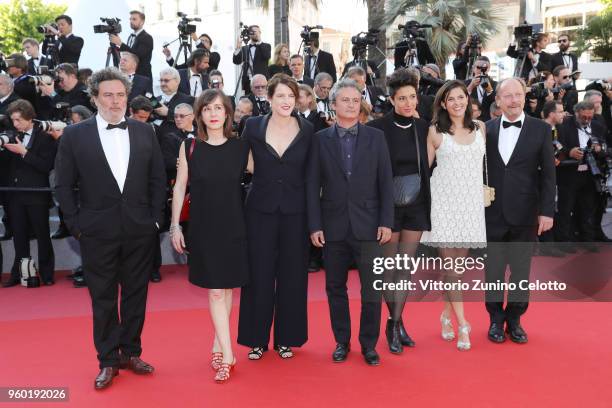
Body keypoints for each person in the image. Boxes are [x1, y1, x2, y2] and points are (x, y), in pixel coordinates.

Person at [54, 67, 166, 390]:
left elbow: (158, 179)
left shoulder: (146, 133)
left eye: (120, 95)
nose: (115, 101)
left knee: (136, 295)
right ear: (94, 98)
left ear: (127, 98)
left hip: (139, 230)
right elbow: (62, 186)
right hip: (95, 232)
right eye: (108, 95)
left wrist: (155, 220)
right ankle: (107, 359)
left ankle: (131, 352)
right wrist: (76, 227)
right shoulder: (75, 136)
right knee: (102, 298)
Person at [307, 78, 393, 366]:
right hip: (332, 226)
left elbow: (385, 183)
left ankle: (369, 344)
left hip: (369, 225)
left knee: (372, 288)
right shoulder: (319, 140)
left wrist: (386, 221)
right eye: (345, 100)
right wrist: (315, 225)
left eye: (356, 101)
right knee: (335, 288)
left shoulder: (376, 137)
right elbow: (312, 186)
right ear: (333, 105)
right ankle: (341, 342)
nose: (351, 105)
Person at [170, 89, 250, 383]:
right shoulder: (190, 146)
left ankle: (218, 344)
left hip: (235, 226)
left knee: (226, 289)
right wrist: (175, 225)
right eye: (207, 109)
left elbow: (271, 172)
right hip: (203, 228)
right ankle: (228, 355)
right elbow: (179, 187)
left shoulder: (242, 148)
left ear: (228, 113)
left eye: (219, 108)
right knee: (216, 290)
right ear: (199, 114)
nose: (214, 113)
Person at [237, 74, 313, 361]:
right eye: (280, 96)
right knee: (258, 275)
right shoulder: (253, 126)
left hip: (296, 211)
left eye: (291, 96)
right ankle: (256, 339)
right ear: (269, 98)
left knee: (293, 276)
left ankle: (287, 339)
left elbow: (310, 171)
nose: (286, 101)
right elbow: (244, 162)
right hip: (259, 209)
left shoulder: (306, 128)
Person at [484, 78, 555, 344]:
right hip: (492, 213)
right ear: (498, 100)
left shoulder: (541, 130)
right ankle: (494, 319)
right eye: (508, 96)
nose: (514, 100)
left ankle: (514, 319)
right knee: (492, 271)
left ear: (525, 98)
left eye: (518, 95)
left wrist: (547, 211)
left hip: (526, 212)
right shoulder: (485, 130)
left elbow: (549, 175)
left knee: (521, 271)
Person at [367, 69, 431, 354]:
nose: (408, 103)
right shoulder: (378, 128)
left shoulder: (423, 128)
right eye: (402, 98)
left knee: (405, 268)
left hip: (416, 203)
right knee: (390, 268)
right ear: (392, 100)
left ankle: (395, 322)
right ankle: (393, 322)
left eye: (412, 97)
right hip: (388, 205)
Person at [421, 80, 487, 351]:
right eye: (451, 99)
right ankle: (462, 323)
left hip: (470, 206)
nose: (457, 103)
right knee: (451, 270)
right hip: (445, 205)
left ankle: (446, 315)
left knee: (458, 270)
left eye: (461, 97)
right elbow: (425, 173)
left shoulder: (481, 128)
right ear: (443, 104)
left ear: (467, 99)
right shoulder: (436, 132)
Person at [1, 99, 57, 287]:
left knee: (42, 235)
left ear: (29, 118)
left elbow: (45, 166)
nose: (15, 124)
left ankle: (47, 274)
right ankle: (18, 274)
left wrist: (24, 151)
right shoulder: (11, 135)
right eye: (13, 120)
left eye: (18, 120)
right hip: (15, 195)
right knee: (19, 236)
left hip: (36, 194)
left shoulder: (45, 137)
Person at [555, 101, 605, 253]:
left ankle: (587, 239)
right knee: (566, 208)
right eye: (584, 117)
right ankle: (564, 242)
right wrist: (569, 152)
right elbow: (556, 144)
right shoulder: (564, 125)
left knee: (587, 208)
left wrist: (599, 148)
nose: (587, 120)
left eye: (590, 117)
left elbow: (605, 146)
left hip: (590, 173)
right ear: (576, 113)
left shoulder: (597, 126)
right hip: (569, 173)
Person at [110, 11, 154, 79]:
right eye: (130, 19)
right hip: (130, 76)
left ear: (142, 22)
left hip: (143, 77)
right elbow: (127, 54)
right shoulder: (131, 36)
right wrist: (115, 49)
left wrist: (121, 44)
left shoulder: (147, 37)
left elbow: (137, 56)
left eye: (134, 19)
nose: (131, 21)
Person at [232, 25, 271, 94]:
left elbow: (267, 56)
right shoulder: (245, 48)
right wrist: (238, 48)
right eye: (253, 32)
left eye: (258, 32)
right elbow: (236, 61)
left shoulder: (266, 46)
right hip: (248, 81)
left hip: (261, 81)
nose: (256, 34)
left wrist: (259, 41)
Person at [465, 56, 497, 121]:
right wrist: (471, 86)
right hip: (469, 120)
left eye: (484, 68)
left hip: (488, 121)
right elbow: (461, 100)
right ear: (473, 68)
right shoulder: (465, 84)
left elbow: (495, 102)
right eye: (478, 67)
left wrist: (487, 87)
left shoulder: (495, 84)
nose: (481, 70)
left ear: (488, 69)